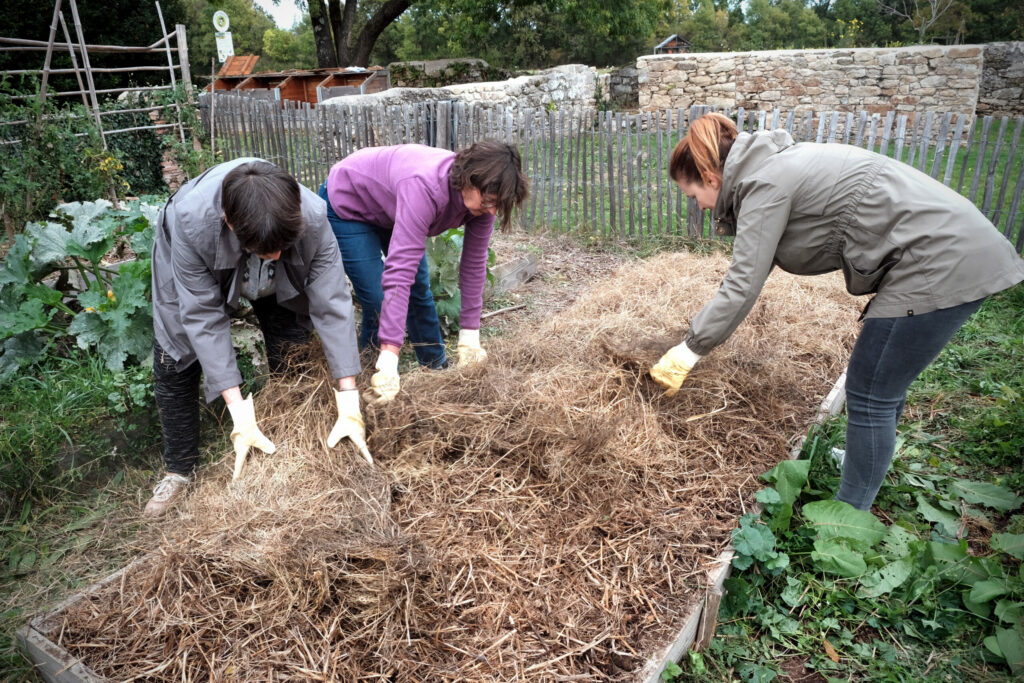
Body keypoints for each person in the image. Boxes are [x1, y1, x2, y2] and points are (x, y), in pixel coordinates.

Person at [651, 112, 1024, 511]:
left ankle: (846, 518)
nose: (701, 207)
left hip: (937, 262)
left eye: (693, 196)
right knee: (882, 385)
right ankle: (867, 463)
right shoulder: (776, 165)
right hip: (949, 249)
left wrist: (689, 350)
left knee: (870, 392)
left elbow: (743, 284)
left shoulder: (764, 183)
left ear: (711, 177)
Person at [147, 158, 372, 517]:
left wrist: (349, 401)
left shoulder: (311, 217)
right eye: (271, 250)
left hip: (269, 233)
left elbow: (332, 303)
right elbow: (202, 316)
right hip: (197, 249)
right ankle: (179, 468)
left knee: (290, 332)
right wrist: (239, 414)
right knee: (177, 351)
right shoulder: (191, 223)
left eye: (285, 245)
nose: (279, 256)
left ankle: (288, 426)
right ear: (231, 224)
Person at [318, 141, 529, 404]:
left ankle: (436, 371)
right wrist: (390, 354)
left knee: (420, 289)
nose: (492, 211)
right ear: (470, 180)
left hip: (391, 208)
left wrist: (470, 336)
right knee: (377, 298)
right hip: (350, 203)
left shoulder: (483, 201)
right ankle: (374, 376)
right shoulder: (425, 187)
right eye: (489, 201)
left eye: (497, 204)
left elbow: (474, 265)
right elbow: (399, 271)